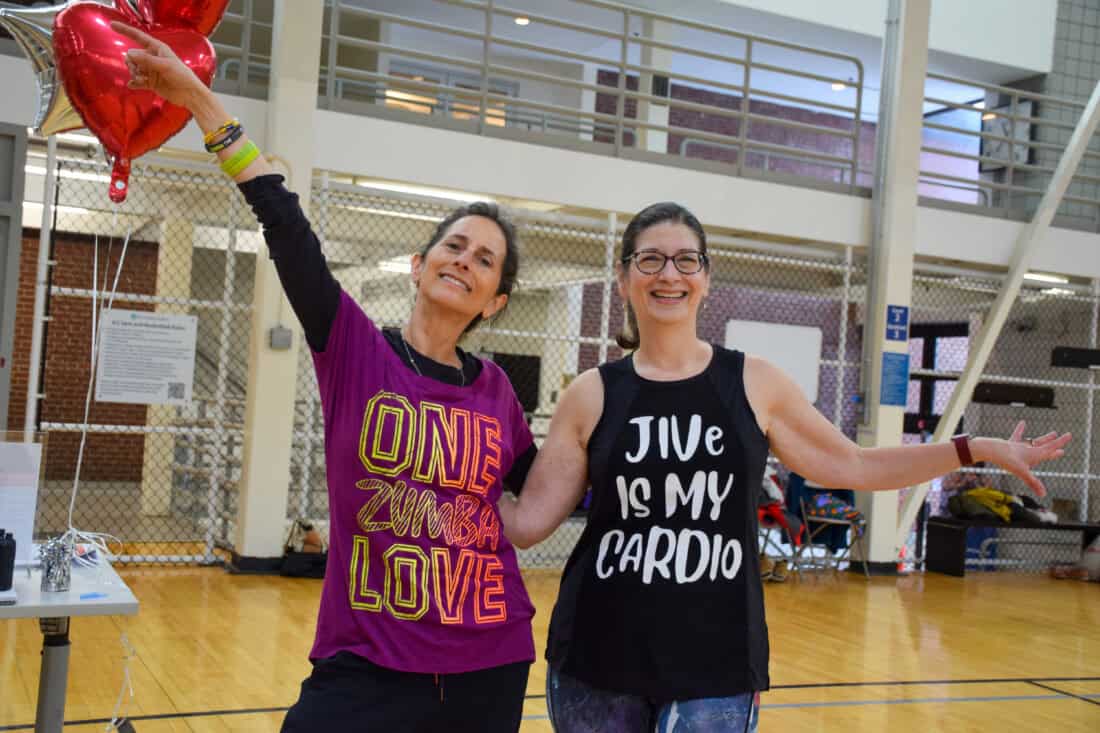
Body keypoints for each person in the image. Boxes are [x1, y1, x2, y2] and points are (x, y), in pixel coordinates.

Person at [499, 202, 1072, 732]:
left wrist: (976, 448)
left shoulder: (755, 382)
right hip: (599, 653)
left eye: (685, 260)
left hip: (715, 660)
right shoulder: (591, 393)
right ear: (624, 278)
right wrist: (438, 464)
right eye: (649, 259)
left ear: (706, 278)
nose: (668, 274)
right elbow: (527, 523)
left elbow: (854, 464)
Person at [116, 22, 539, 733]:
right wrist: (199, 102)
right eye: (454, 244)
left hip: (488, 659)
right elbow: (284, 223)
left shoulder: (496, 390)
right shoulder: (353, 348)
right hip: (366, 658)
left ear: (494, 300)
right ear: (419, 262)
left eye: (485, 259)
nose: (464, 258)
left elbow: (546, 485)